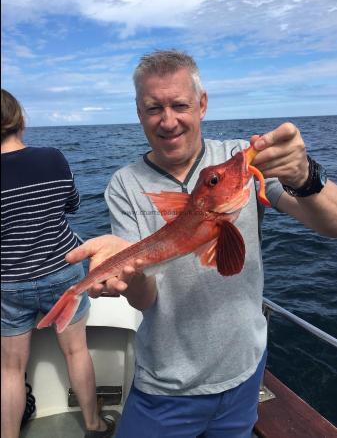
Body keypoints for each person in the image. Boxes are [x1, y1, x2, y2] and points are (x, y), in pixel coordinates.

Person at [65, 50, 337, 438]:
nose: (168, 120)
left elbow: (332, 223)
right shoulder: (125, 185)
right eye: (154, 107)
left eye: (180, 104)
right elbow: (144, 299)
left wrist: (306, 176)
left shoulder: (241, 161)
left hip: (245, 374)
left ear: (203, 104)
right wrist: (128, 273)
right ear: (139, 112)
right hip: (166, 384)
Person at [0, 89, 115, 438]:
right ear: (20, 120)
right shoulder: (52, 157)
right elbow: (74, 203)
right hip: (62, 271)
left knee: (9, 369)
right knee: (76, 351)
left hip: (8, 283)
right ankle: (94, 424)